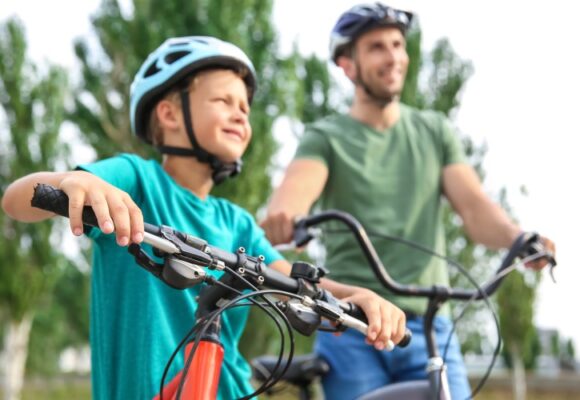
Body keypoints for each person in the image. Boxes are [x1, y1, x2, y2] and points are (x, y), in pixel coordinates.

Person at [1, 36, 408, 399]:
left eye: (245, 109)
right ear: (169, 115)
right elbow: (17, 200)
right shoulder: (136, 181)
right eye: (224, 102)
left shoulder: (237, 223)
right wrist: (76, 183)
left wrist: (359, 296)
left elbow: (296, 285)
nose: (240, 116)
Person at [260, 3, 557, 400]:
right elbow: (293, 196)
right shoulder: (326, 136)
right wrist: (285, 217)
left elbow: (474, 209)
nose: (394, 57)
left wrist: (518, 238)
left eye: (398, 45)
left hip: (431, 324)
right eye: (377, 47)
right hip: (351, 321)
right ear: (347, 64)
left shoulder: (433, 131)